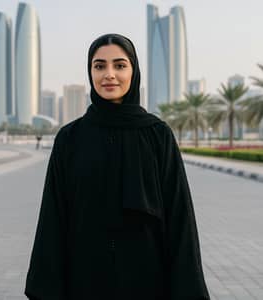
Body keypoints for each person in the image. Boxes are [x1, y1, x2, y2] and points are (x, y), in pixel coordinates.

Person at [24, 33, 211, 300]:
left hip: (148, 282)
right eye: (99, 66)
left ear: (133, 72)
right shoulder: (71, 138)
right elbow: (53, 218)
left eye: (120, 65)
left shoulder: (157, 135)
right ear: (90, 72)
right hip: (84, 281)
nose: (109, 74)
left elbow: (179, 216)